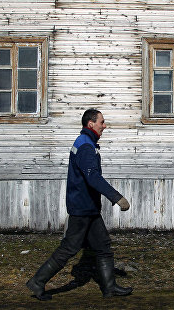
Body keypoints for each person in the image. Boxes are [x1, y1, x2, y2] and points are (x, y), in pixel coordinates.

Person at [26, 108, 133, 301]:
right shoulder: (85, 146)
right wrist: (116, 197)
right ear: (91, 124)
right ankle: (38, 281)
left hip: (88, 208)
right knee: (69, 248)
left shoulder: (86, 142)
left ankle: (110, 288)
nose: (104, 126)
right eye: (102, 122)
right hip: (82, 207)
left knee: (103, 246)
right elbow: (93, 177)